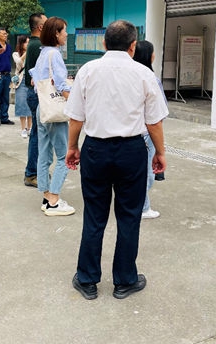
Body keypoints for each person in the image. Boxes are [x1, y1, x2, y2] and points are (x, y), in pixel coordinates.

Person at [65, 20, 168, 300]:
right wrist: (160, 152)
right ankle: (125, 280)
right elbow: (154, 122)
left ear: (103, 43)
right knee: (129, 216)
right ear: (133, 46)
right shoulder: (143, 74)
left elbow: (76, 117)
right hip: (131, 151)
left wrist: (73, 147)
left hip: (95, 149)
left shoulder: (87, 70)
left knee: (95, 215)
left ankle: (87, 279)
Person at [30, 17, 74, 216]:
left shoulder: (43, 53)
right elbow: (62, 86)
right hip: (55, 111)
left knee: (44, 154)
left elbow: (35, 80)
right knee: (65, 156)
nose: (66, 34)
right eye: (64, 31)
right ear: (56, 33)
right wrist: (77, 106)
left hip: (43, 108)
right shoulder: (54, 54)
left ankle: (47, 196)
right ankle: (54, 202)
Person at [132, 40, 167, 219]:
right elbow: (158, 115)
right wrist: (161, 149)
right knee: (147, 174)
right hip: (147, 134)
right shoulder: (151, 79)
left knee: (138, 173)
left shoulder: (129, 76)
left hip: (133, 133)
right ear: (149, 55)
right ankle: (143, 207)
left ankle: (139, 204)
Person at [23, 13, 47, 187]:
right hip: (37, 94)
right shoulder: (38, 45)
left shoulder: (35, 44)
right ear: (40, 27)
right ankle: (32, 173)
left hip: (34, 93)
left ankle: (36, 171)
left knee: (38, 134)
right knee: (38, 135)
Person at [12, 35, 32, 138]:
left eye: (29, 42)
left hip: (31, 81)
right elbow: (19, 62)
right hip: (21, 81)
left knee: (31, 104)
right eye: (26, 42)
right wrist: (27, 53)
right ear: (21, 43)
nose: (28, 44)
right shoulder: (15, 54)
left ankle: (30, 128)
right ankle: (23, 129)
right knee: (21, 104)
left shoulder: (33, 53)